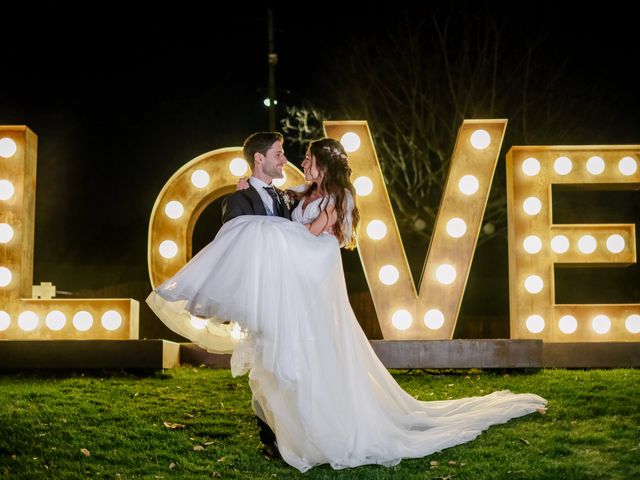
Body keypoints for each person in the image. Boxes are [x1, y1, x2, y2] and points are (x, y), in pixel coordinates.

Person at [146, 138, 547, 473]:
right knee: (280, 358)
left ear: (322, 165)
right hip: (287, 293)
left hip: (314, 285)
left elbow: (304, 236)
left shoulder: (337, 197)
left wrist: (271, 224)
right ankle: (282, 432)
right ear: (260, 159)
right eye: (287, 155)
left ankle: (319, 429)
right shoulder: (287, 195)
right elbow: (253, 236)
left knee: (315, 355)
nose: (297, 162)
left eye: (305, 158)